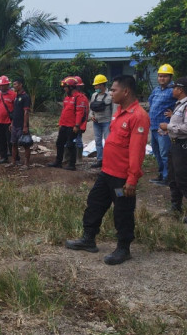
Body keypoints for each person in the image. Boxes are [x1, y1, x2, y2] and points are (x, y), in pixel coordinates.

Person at [66, 75, 150, 265]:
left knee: (123, 212)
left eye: (114, 90)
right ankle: (89, 239)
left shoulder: (138, 116)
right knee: (94, 202)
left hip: (122, 178)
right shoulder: (119, 111)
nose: (111, 93)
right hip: (107, 172)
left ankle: (123, 248)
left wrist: (132, 179)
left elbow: (136, 152)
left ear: (125, 91)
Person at [158, 77, 187, 223]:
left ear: (181, 89)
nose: (172, 90)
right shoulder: (180, 105)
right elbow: (180, 126)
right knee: (173, 178)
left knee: (183, 180)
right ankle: (175, 206)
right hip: (176, 145)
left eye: (174, 87)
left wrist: (169, 127)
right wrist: (168, 132)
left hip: (185, 146)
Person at [47, 77, 88, 170]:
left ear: (71, 87)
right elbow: (64, 112)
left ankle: (72, 164)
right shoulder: (66, 98)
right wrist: (60, 123)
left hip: (72, 126)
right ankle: (58, 162)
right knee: (59, 143)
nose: (64, 89)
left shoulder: (79, 98)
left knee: (70, 145)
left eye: (66, 87)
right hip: (64, 125)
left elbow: (80, 112)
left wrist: (77, 125)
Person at [148, 63, 177, 186]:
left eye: (165, 76)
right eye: (160, 76)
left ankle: (168, 178)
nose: (162, 78)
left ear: (170, 77)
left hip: (164, 129)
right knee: (157, 153)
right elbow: (150, 102)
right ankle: (161, 174)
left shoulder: (173, 91)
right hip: (154, 127)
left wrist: (174, 114)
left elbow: (182, 105)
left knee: (165, 153)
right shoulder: (156, 89)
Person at [88, 74, 113, 169]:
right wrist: (91, 116)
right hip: (96, 122)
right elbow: (92, 108)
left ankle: (108, 161)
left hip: (107, 122)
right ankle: (100, 160)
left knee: (108, 142)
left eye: (96, 85)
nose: (95, 87)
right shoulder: (94, 95)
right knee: (98, 141)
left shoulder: (110, 96)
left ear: (102, 85)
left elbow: (114, 110)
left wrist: (113, 121)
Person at [0, 75, 15, 164]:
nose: (1, 87)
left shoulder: (13, 95)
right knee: (1, 141)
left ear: (7, 85)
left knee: (11, 141)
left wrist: (13, 122)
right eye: (0, 85)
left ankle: (15, 157)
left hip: (9, 123)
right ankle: (3, 157)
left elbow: (16, 110)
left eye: (3, 85)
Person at [10, 78, 32, 167]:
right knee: (14, 144)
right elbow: (15, 111)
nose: (13, 86)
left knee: (26, 144)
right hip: (15, 125)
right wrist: (12, 123)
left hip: (21, 125)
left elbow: (26, 112)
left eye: (15, 84)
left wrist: (25, 126)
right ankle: (13, 162)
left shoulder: (25, 97)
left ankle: (26, 164)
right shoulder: (16, 96)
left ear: (20, 85)